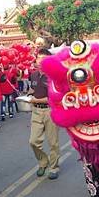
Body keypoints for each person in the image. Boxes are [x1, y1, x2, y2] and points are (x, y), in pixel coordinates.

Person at [28, 48, 60, 180]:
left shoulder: (53, 76)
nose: (40, 61)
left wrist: (36, 99)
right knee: (33, 141)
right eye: (38, 58)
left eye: (43, 58)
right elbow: (33, 88)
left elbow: (54, 97)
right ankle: (43, 162)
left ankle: (54, 167)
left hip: (50, 111)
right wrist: (29, 93)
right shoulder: (34, 75)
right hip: (36, 111)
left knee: (53, 142)